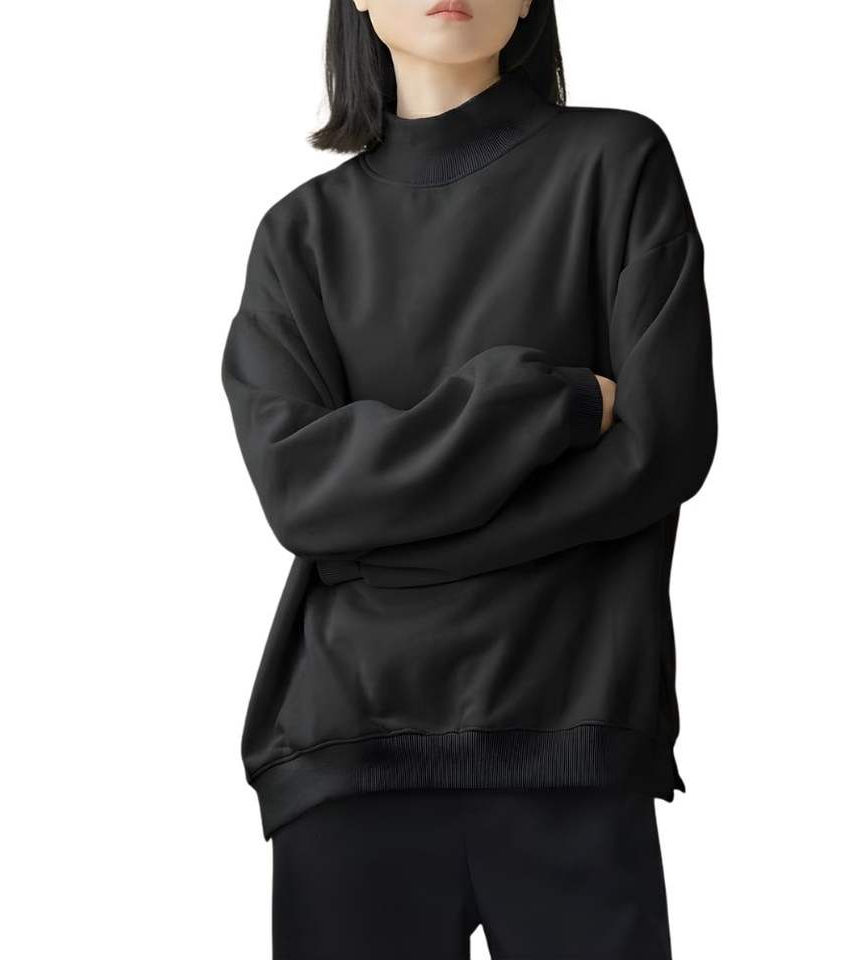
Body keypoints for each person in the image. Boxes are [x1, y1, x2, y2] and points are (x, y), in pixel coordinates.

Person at [221, 1, 717, 957]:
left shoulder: (617, 163)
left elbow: (665, 449)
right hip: (347, 747)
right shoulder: (299, 235)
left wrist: (382, 551)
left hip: (571, 732)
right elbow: (301, 493)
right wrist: (549, 400)